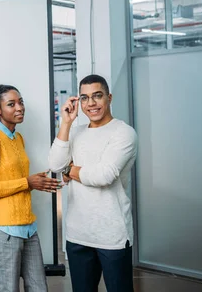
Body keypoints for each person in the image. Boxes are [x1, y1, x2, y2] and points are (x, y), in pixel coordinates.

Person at [48, 74, 137, 292]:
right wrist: (66, 123)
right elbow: (54, 164)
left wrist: (70, 169)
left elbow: (103, 176)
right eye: (85, 98)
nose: (91, 104)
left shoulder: (123, 133)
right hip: (78, 235)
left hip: (112, 236)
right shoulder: (75, 132)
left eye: (97, 96)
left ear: (109, 97)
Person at [0, 84, 59, 292]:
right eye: (11, 104)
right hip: (5, 231)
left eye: (21, 102)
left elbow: (15, 181)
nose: (19, 107)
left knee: (39, 288)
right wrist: (27, 182)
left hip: (28, 228)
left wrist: (34, 183)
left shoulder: (17, 137)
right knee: (9, 289)